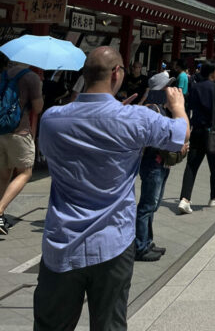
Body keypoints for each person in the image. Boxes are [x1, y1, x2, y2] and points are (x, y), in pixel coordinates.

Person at [33, 47, 188, 331]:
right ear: (117, 73)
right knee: (109, 324)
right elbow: (180, 137)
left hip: (61, 241)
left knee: (51, 325)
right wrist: (177, 107)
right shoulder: (136, 119)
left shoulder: (52, 119)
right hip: (112, 241)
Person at [134, 104, 186, 261]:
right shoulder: (152, 110)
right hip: (153, 164)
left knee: (152, 206)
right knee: (147, 206)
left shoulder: (164, 111)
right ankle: (140, 247)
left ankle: (147, 242)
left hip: (161, 164)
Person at [0, 51, 43, 236]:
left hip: (0, 131)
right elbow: (38, 107)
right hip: (19, 132)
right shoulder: (30, 77)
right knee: (25, 172)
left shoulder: (2, 74)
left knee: (3, 175)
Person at [177, 61, 215, 213]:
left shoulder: (195, 87)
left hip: (197, 129)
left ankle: (185, 199)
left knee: (191, 166)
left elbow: (189, 105)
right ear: (212, 72)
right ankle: (214, 197)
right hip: (212, 131)